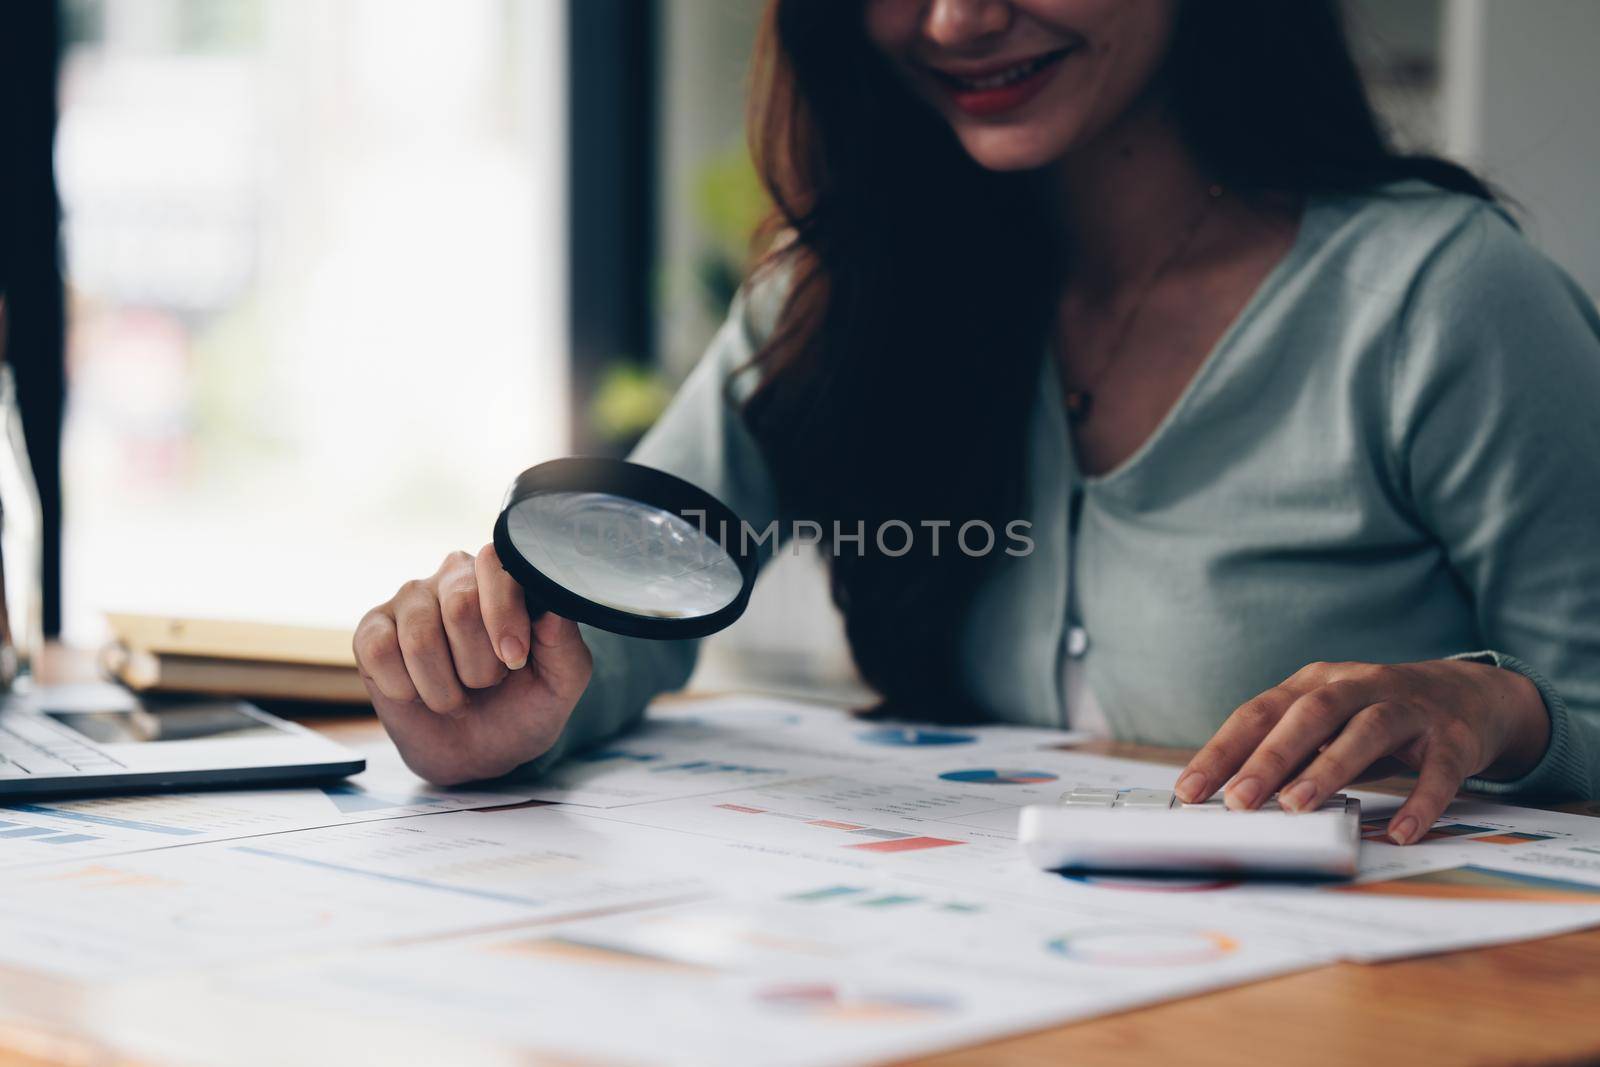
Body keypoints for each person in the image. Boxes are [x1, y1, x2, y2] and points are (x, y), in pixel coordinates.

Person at [353, 0, 1600, 843]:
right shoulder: (829, 295)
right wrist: (509, 700)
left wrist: (1488, 707)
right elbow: (626, 601)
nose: (952, 20)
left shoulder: (1441, 300)